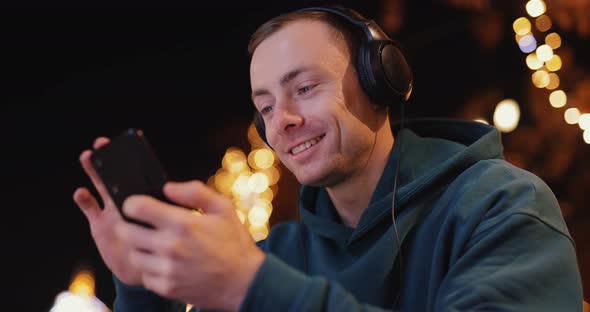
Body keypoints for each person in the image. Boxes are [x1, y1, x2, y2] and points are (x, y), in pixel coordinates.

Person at [73, 6, 584, 312]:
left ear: (380, 81)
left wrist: (256, 288)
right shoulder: (276, 254)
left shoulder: (502, 206)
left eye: (305, 87)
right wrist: (140, 290)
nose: (281, 120)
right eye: (265, 106)